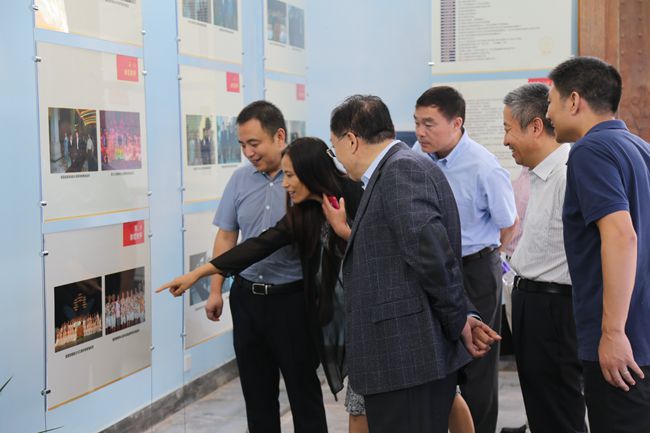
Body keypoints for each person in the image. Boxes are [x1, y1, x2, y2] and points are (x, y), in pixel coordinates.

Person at [158, 136, 364, 431]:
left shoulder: (352, 194)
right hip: (323, 309)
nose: (285, 184)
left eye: (290, 175)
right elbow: (259, 245)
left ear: (310, 172)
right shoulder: (303, 211)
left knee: (348, 405)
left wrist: (343, 230)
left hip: (366, 311)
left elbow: (379, 248)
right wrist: (199, 274)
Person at [328, 94, 499, 433]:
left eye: (336, 149)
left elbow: (432, 258)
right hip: (403, 358)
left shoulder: (400, 172)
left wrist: (458, 322)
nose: (340, 160)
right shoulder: (398, 170)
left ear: (352, 140)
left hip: (405, 358)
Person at [546, 56, 650, 433]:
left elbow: (621, 235)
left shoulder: (590, 150)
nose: (548, 113)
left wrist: (613, 332)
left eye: (551, 102)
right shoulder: (640, 148)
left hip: (624, 347)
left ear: (574, 101)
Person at [413, 86, 517, 433]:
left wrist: (486, 258)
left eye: (429, 124)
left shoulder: (483, 166)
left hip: (475, 271)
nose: (420, 132)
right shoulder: (416, 157)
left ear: (456, 123)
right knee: (436, 360)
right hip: (432, 271)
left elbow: (509, 223)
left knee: (477, 364)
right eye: (417, 123)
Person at [503, 83, 586, 433]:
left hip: (554, 309)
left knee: (558, 414)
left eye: (508, 129)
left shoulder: (568, 174)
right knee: (542, 412)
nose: (505, 140)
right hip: (533, 305)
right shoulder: (537, 175)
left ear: (535, 126)